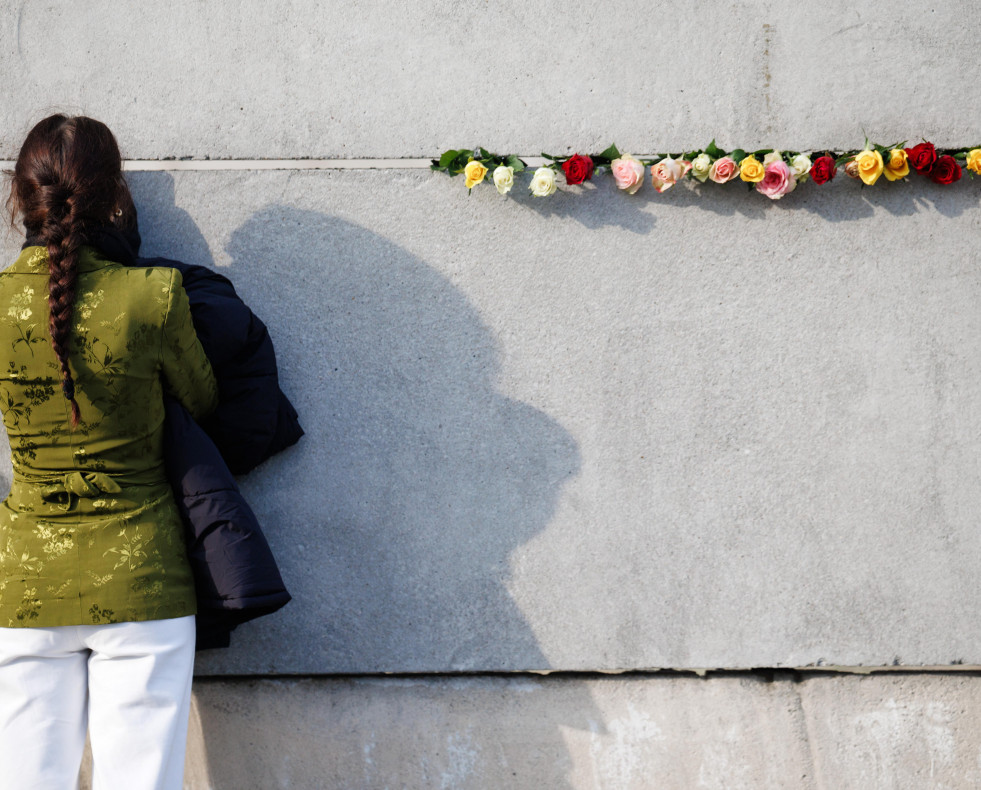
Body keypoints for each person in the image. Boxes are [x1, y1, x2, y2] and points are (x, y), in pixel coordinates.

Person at [0, 115, 218, 789]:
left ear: (20, 197)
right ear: (113, 194)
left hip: (26, 581)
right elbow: (201, 398)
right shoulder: (153, 295)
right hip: (141, 579)